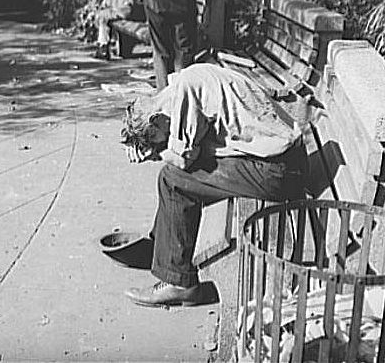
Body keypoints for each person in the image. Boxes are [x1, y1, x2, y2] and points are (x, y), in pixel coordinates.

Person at [120, 63, 309, 307]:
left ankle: (180, 283)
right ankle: (162, 250)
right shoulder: (184, 81)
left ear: (156, 120)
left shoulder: (185, 92)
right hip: (284, 161)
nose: (160, 142)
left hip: (279, 172)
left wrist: (154, 155)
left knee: (172, 180)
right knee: (176, 177)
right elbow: (195, 147)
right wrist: (158, 148)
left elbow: (183, 159)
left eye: (155, 138)